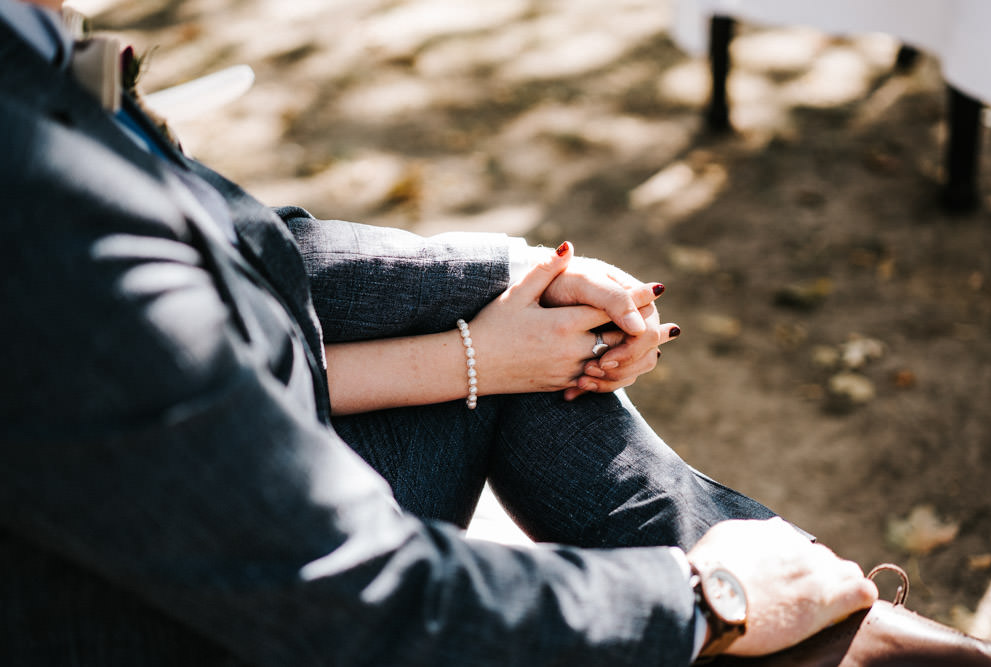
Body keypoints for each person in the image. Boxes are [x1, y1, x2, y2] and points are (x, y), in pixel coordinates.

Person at [0, 0, 881, 664]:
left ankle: (834, 617)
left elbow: (253, 255)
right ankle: (828, 619)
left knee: (538, 364)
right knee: (542, 398)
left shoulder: (28, 55)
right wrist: (706, 598)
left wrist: (508, 272)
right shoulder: (37, 200)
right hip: (177, 625)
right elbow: (359, 599)